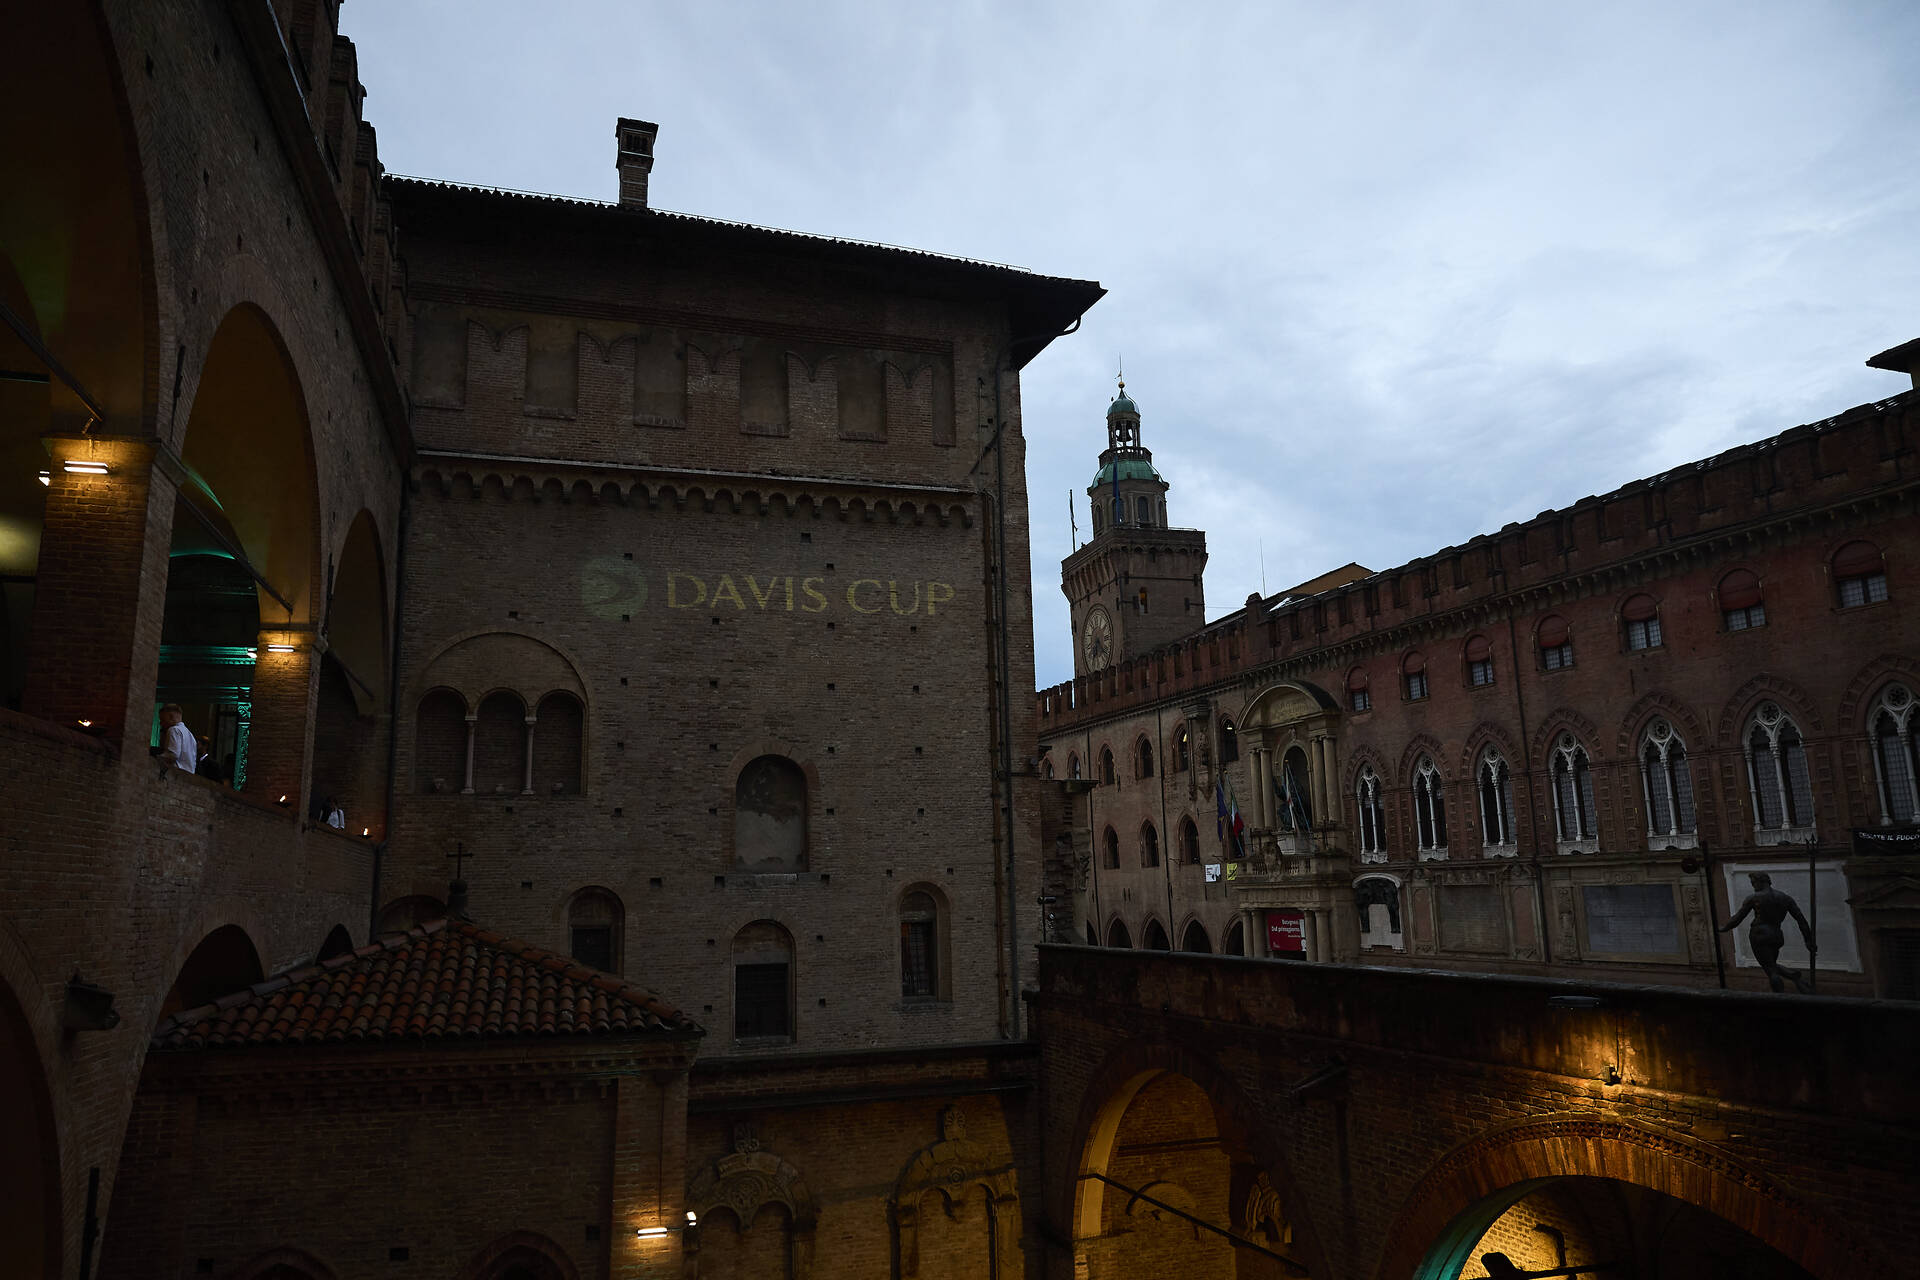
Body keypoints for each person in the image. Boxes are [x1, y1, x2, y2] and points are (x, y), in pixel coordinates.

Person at [1720, 871, 1815, 993]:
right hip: (1776, 935)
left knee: (1771, 970)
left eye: (1753, 883)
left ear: (1761, 881)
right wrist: (1808, 940)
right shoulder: (1785, 898)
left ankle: (1781, 997)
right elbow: (1801, 920)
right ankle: (1794, 977)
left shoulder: (1754, 898)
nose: (1753, 886)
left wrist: (1723, 928)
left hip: (1760, 935)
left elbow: (1737, 918)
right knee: (1771, 964)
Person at [158, 704, 197, 774]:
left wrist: (156, 758)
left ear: (170, 716)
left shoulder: (174, 730)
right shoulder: (191, 735)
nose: (161, 723)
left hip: (176, 774)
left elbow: (173, 754)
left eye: (162, 719)